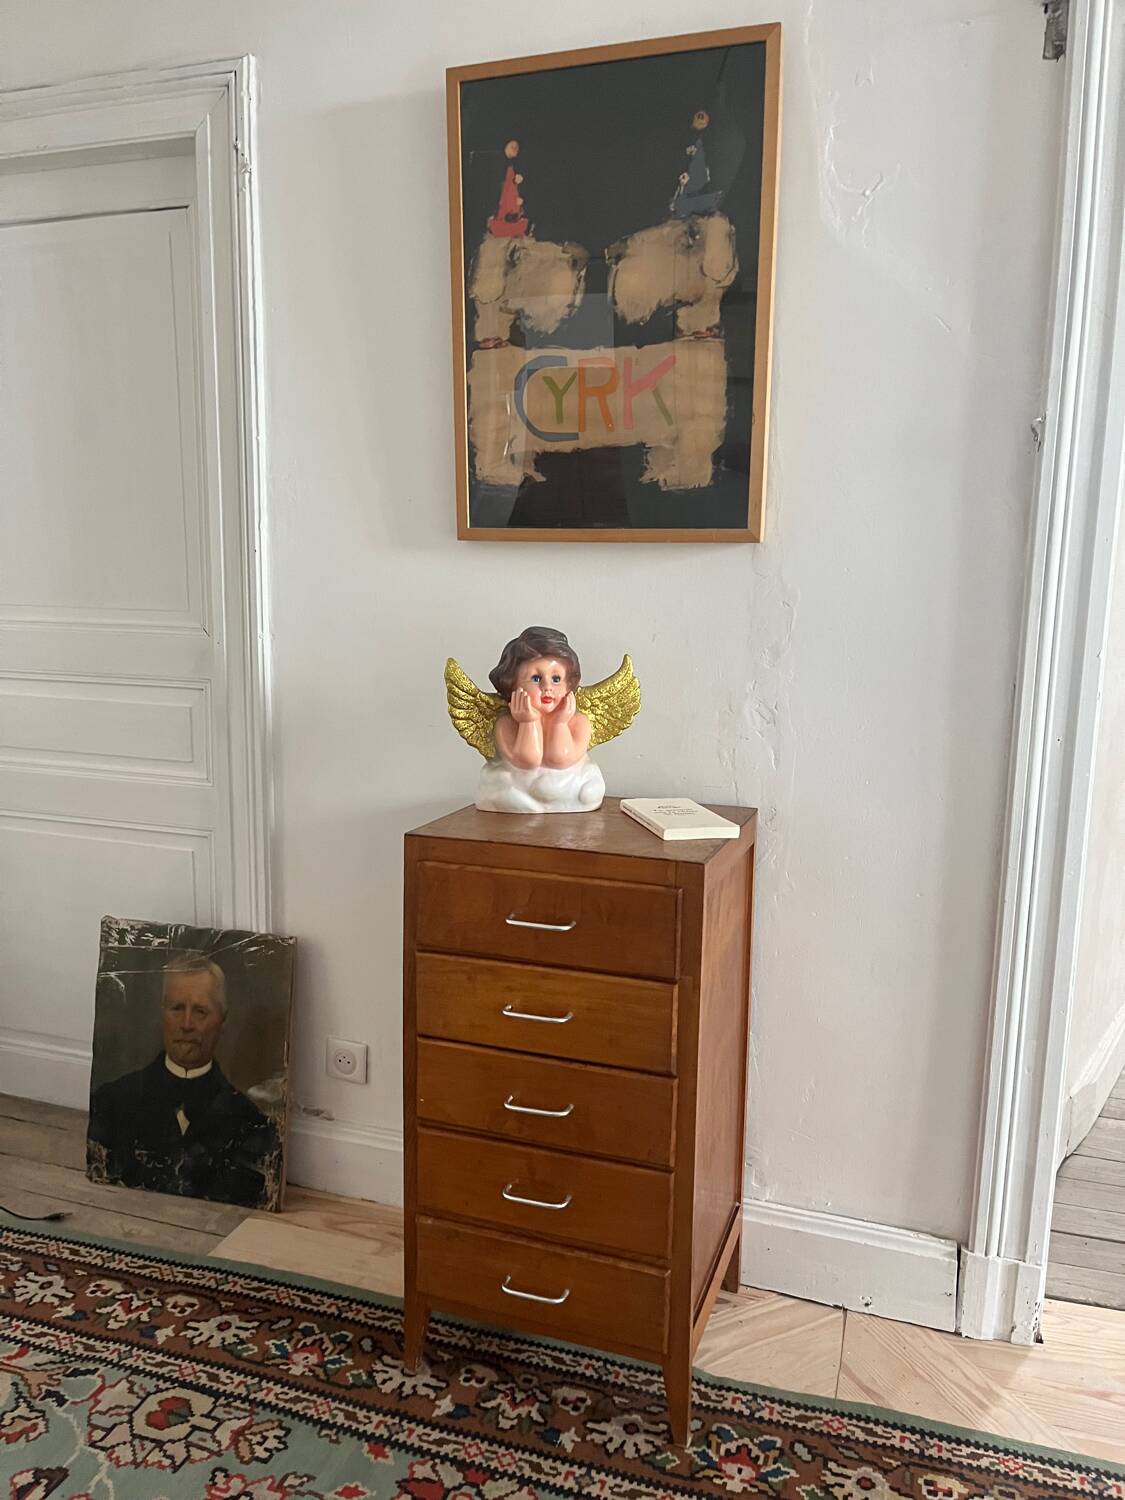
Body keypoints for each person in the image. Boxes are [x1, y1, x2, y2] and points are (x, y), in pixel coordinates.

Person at [87, 954, 280, 1207]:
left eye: (200, 1011)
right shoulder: (113, 1101)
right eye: (177, 1008)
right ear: (162, 1013)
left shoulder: (250, 1123)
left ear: (222, 1021)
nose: (187, 1024)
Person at [476, 626, 605, 813]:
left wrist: (560, 723)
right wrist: (528, 722)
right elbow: (528, 761)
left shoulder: (579, 722)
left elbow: (560, 759)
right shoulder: (505, 724)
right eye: (536, 678)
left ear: (569, 684)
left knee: (585, 786)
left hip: (567, 785)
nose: (547, 687)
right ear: (513, 686)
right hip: (523, 785)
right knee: (500, 782)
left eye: (556, 678)